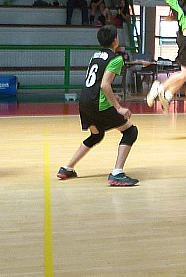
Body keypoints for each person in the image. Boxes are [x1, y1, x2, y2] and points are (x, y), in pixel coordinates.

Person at [57, 25, 139, 185]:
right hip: (98, 104)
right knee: (130, 132)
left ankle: (67, 168)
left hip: (85, 101)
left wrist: (110, 96)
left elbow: (95, 82)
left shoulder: (95, 56)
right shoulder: (116, 59)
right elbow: (104, 85)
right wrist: (118, 107)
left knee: (96, 135)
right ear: (115, 40)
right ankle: (117, 173)